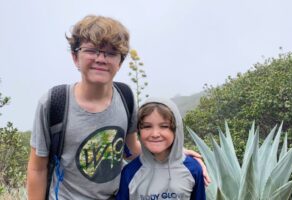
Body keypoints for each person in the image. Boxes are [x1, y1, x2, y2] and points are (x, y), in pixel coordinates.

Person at [27, 15, 209, 200]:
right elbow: (37, 168)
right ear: (75, 57)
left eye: (111, 53)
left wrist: (177, 156)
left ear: (120, 62)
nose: (100, 59)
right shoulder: (54, 103)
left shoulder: (125, 97)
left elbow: (132, 149)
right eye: (91, 50)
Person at [116, 98, 206, 200]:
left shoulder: (193, 169)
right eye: (147, 126)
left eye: (164, 126)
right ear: (139, 131)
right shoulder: (130, 172)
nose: (155, 134)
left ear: (176, 130)